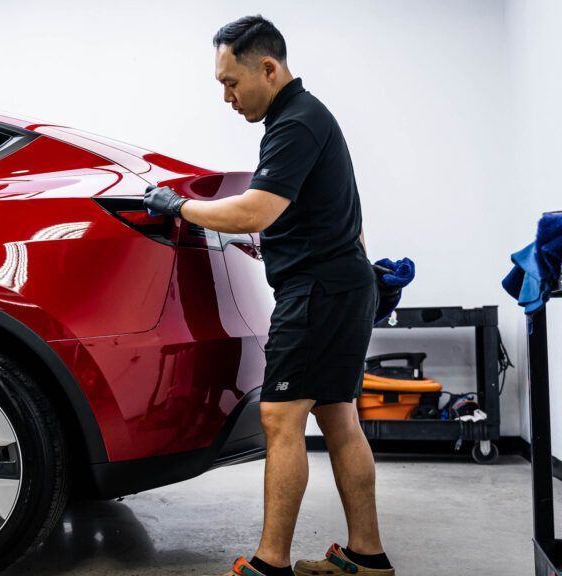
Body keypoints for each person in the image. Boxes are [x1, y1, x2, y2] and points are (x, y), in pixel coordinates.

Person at [143, 15, 394, 576]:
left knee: (281, 417)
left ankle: (270, 564)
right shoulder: (306, 119)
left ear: (268, 67)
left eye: (231, 83)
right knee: (338, 416)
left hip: (319, 292)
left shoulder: (295, 124)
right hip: (341, 283)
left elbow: (255, 209)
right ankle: (367, 556)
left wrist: (176, 206)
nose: (227, 97)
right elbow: (337, 220)